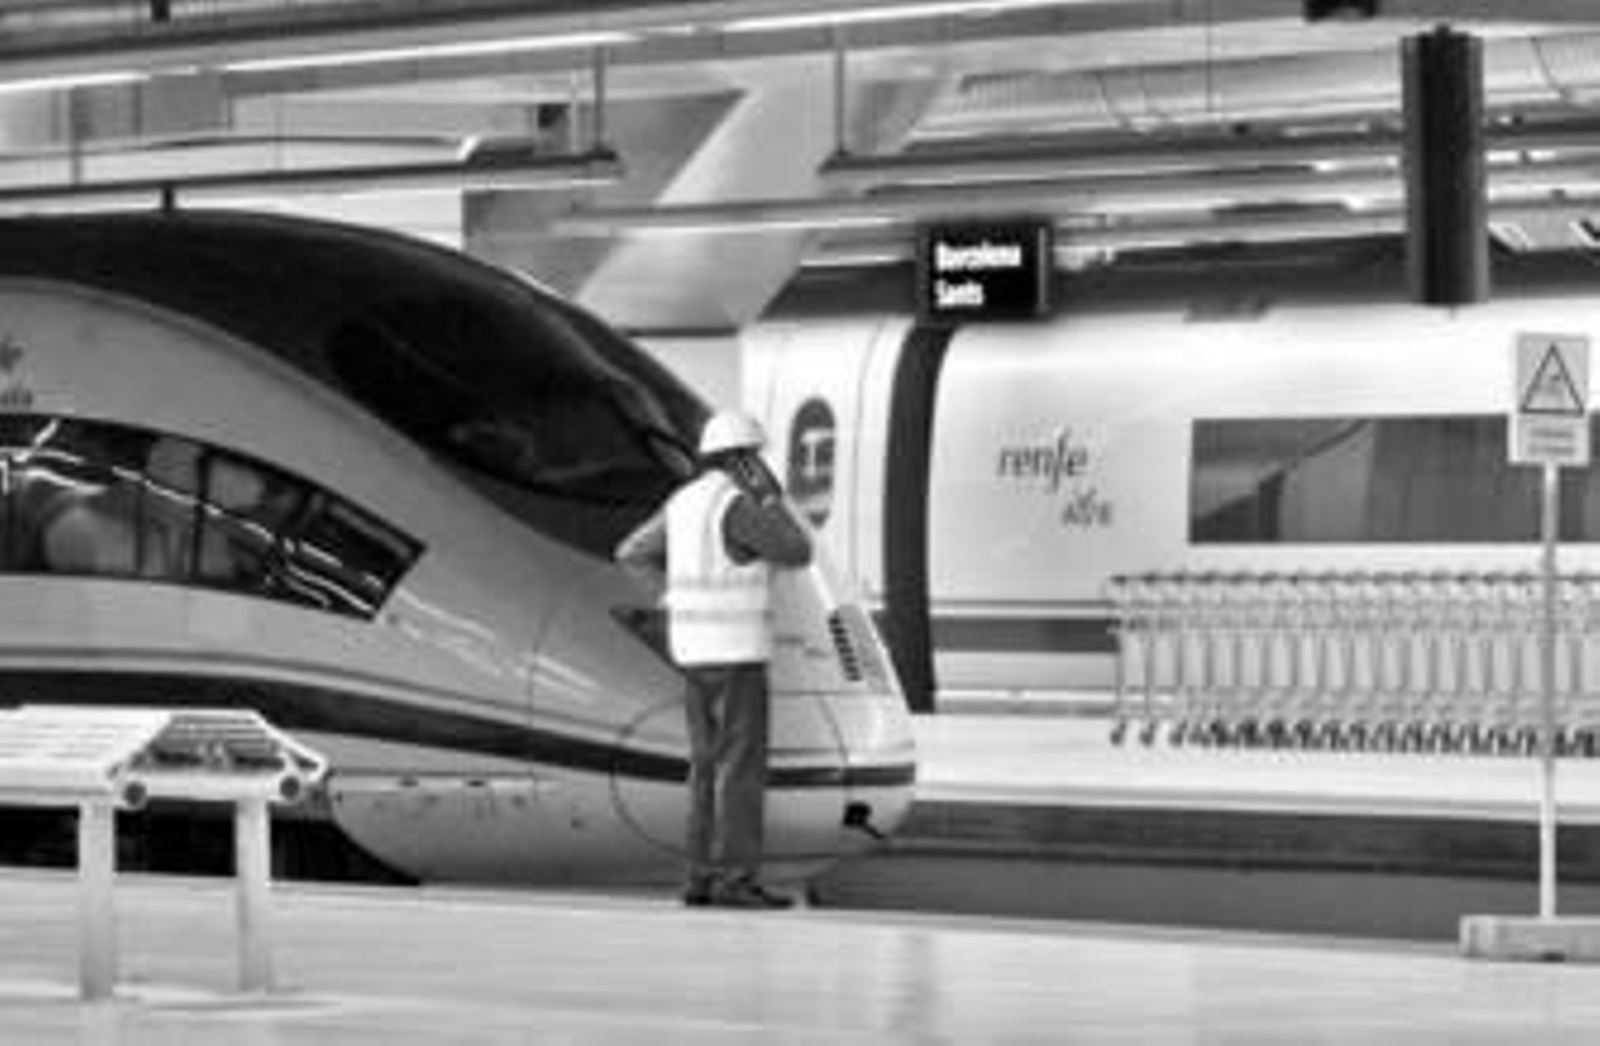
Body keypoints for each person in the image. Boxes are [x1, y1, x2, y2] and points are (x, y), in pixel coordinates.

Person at [615, 408, 812, 909]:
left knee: (704, 769)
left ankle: (700, 877)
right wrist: (770, 496)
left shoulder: (681, 503)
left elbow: (631, 553)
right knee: (739, 771)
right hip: (737, 657)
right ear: (745, 460)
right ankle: (736, 880)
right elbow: (796, 550)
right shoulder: (741, 506)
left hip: (692, 656)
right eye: (757, 460)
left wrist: (671, 597)